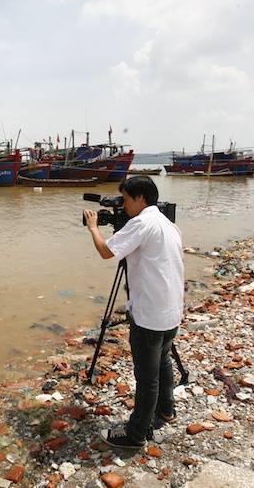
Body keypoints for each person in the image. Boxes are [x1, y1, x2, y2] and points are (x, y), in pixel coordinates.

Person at [83, 175, 184, 449]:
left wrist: (93, 227)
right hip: (171, 313)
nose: (123, 205)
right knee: (163, 362)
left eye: (126, 199)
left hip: (150, 316)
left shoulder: (142, 223)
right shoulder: (168, 223)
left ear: (140, 198)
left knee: (146, 377)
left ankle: (136, 434)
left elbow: (106, 251)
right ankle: (167, 410)